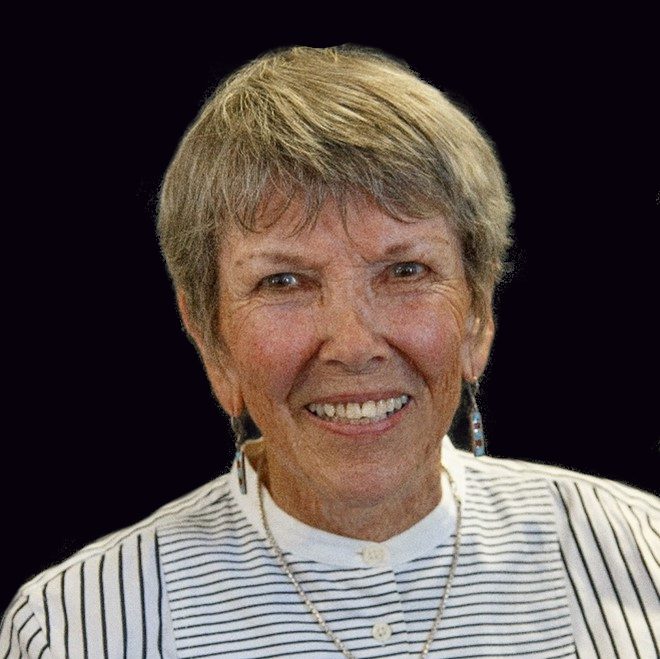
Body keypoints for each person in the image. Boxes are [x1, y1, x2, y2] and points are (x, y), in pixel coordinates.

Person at [1, 44, 658, 658]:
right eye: (283, 281)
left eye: (404, 271)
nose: (353, 345)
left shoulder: (644, 555)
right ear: (211, 339)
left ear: (478, 315)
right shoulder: (71, 626)